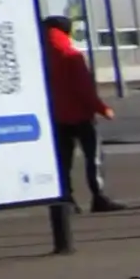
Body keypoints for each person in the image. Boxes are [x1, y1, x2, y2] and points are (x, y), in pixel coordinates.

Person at [41, 13, 110, 212]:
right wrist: (101, 108)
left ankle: (67, 199)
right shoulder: (71, 55)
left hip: (56, 116)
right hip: (81, 114)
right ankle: (98, 197)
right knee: (93, 157)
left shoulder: (40, 56)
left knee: (63, 160)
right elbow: (84, 88)